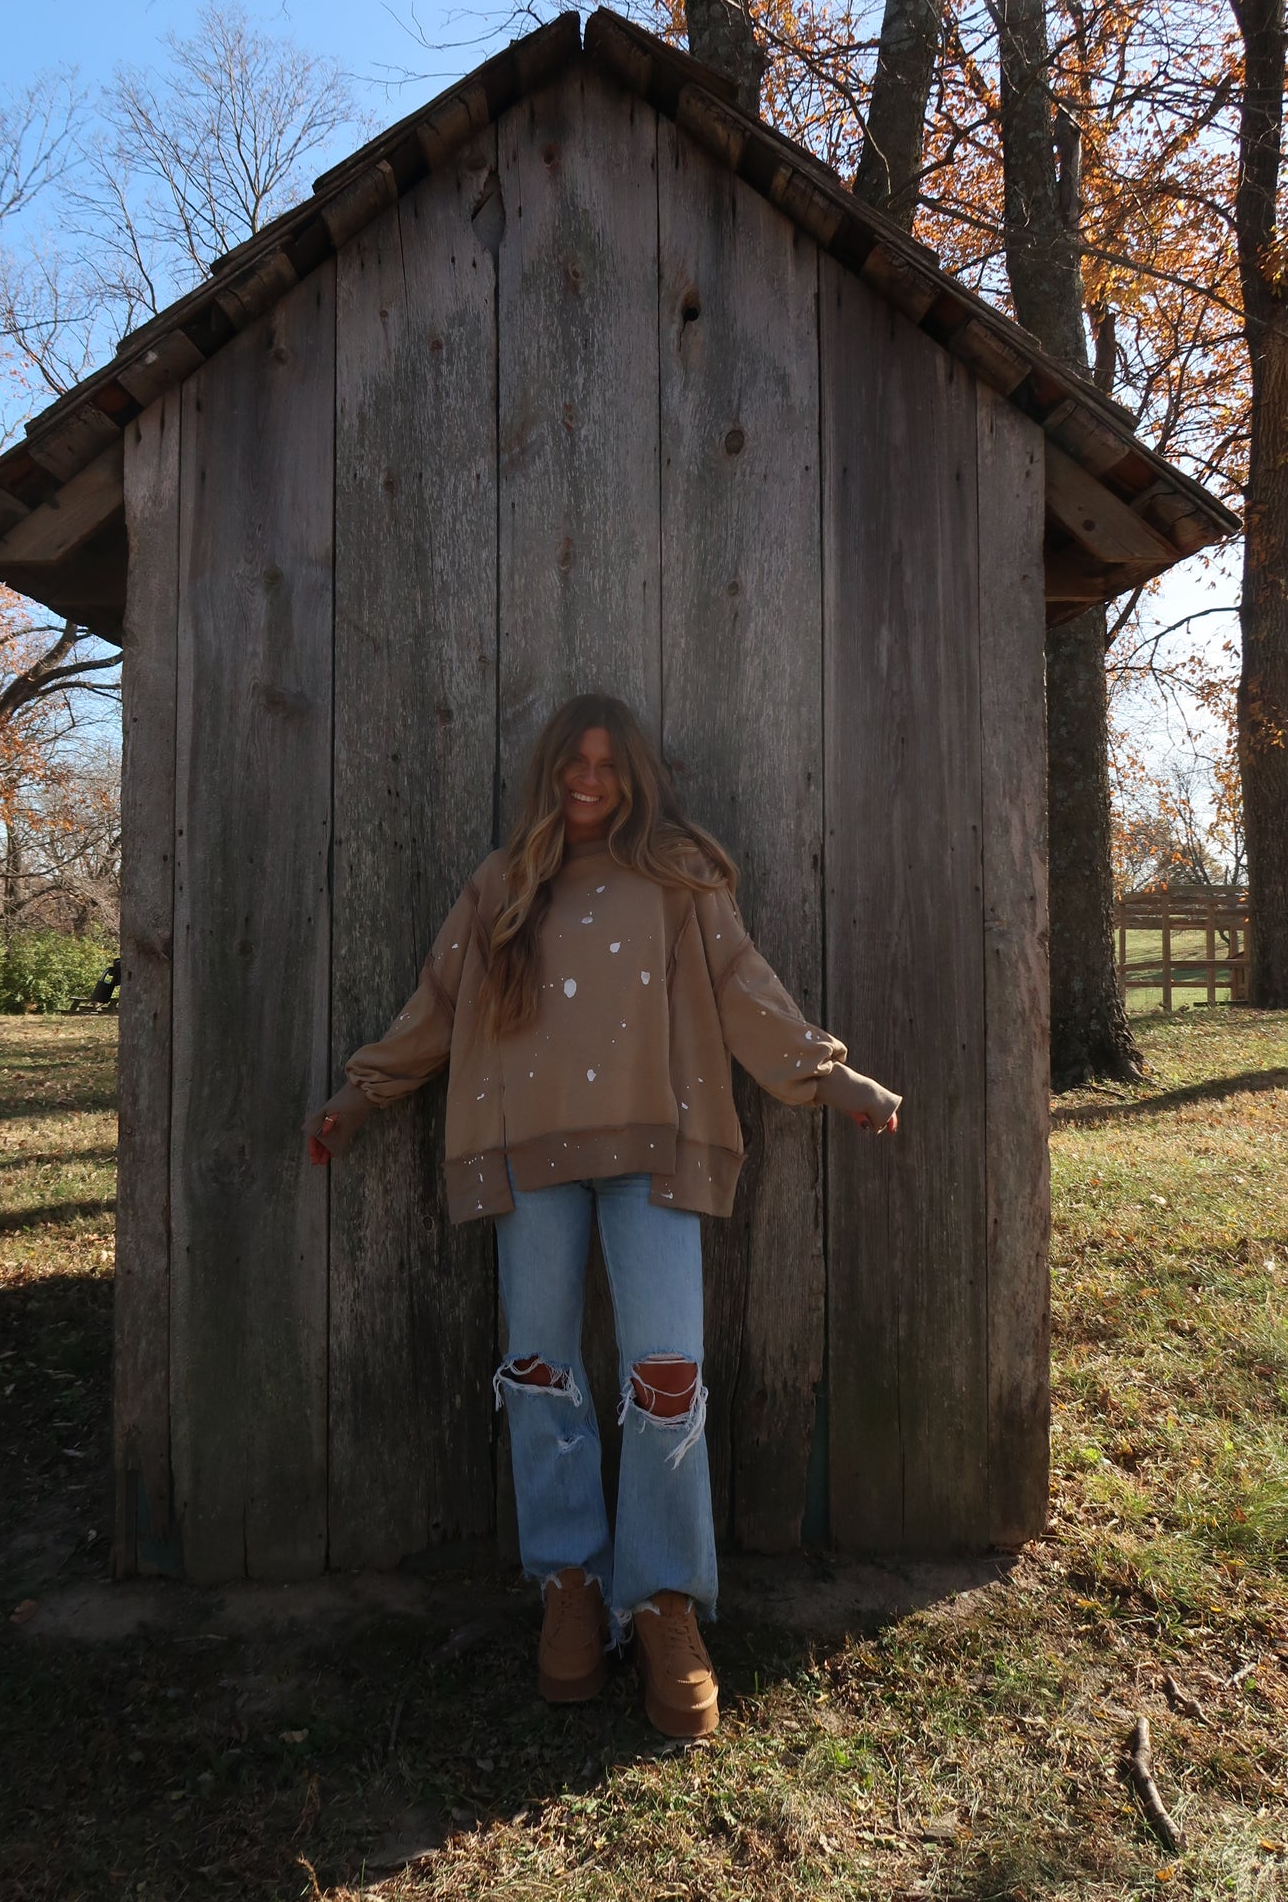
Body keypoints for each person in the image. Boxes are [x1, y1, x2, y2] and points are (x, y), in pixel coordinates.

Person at [305, 693, 900, 1741]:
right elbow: (435, 1006)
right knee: (538, 1368)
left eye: (608, 762)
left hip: (654, 1150)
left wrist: (829, 1077)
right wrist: (361, 1095)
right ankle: (569, 1582)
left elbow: (742, 986)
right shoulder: (499, 885)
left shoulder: (678, 878)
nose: (588, 778)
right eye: (572, 761)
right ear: (547, 771)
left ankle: (664, 1600)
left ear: (634, 777)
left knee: (665, 1376)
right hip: (526, 1153)